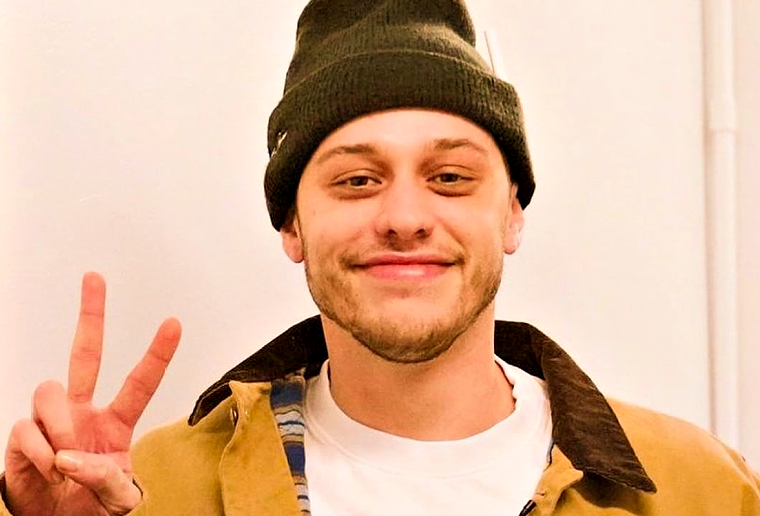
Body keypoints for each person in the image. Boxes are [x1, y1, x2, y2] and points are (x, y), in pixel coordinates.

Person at [2, 0, 759, 514]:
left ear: (511, 213)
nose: (403, 218)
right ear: (292, 226)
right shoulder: (151, 494)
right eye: (357, 180)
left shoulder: (701, 491)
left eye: (450, 177)